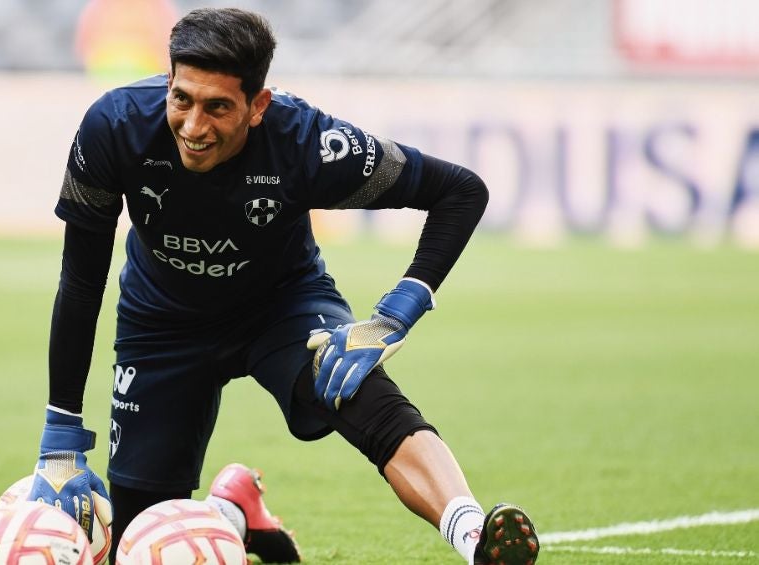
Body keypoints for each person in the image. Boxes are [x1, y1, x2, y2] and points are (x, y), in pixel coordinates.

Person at [27, 7, 540, 565]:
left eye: (218, 107)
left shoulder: (307, 143)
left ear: (258, 106)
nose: (195, 127)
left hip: (283, 308)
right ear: (168, 81)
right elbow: (81, 281)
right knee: (136, 539)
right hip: (161, 324)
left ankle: (471, 537)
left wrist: (396, 314)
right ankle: (233, 514)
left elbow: (460, 191)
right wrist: (61, 431)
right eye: (182, 99)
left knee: (356, 387)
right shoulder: (114, 129)